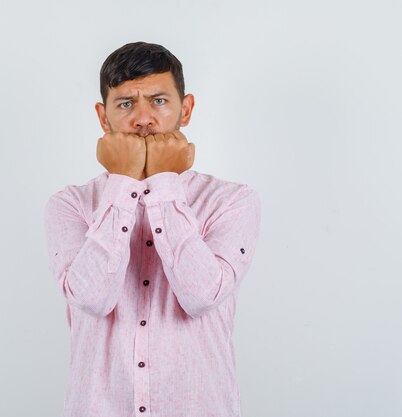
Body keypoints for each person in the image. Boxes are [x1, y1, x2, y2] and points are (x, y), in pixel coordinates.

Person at [43, 41, 262, 417]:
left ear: (186, 108)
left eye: (159, 101)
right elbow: (92, 299)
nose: (143, 118)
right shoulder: (70, 205)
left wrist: (162, 181)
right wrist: (125, 181)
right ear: (103, 116)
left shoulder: (231, 200)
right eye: (126, 103)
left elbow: (201, 295)